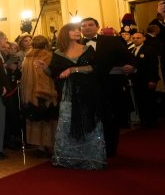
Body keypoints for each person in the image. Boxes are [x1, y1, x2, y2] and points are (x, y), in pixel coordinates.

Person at [42, 23, 106, 169]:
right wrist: (44, 67)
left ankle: (91, 159)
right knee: (67, 122)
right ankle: (67, 158)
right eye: (74, 30)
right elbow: (54, 73)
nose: (78, 31)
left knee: (89, 120)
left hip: (87, 91)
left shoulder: (87, 49)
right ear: (65, 33)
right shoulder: (57, 53)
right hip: (67, 94)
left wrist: (73, 69)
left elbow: (95, 67)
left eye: (78, 29)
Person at [80, 17, 135, 157]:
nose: (87, 27)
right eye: (83, 26)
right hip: (86, 89)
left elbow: (128, 57)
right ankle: (92, 149)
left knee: (110, 120)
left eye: (90, 25)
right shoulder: (76, 44)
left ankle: (110, 149)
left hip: (110, 87)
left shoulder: (112, 41)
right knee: (89, 119)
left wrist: (131, 65)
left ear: (97, 27)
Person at [20, 35, 58, 157]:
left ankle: (39, 146)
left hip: (29, 94)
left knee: (35, 120)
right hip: (43, 92)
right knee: (47, 120)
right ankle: (47, 145)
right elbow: (44, 76)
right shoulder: (46, 55)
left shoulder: (27, 57)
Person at [129, 32, 160, 127]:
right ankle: (144, 120)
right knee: (139, 101)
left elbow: (154, 66)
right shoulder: (131, 50)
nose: (135, 39)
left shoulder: (149, 50)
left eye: (138, 38)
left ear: (144, 38)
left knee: (149, 100)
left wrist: (153, 80)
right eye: (133, 38)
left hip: (147, 80)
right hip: (136, 80)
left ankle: (152, 121)